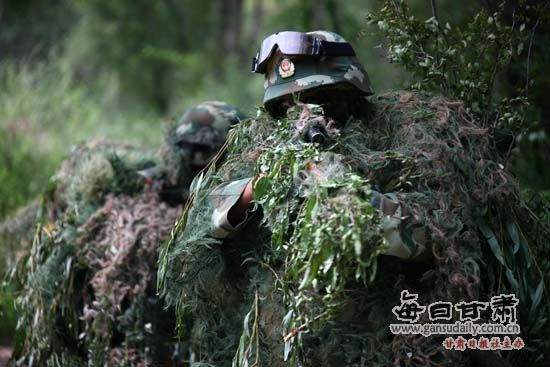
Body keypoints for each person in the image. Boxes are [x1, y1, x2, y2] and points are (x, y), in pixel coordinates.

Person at [14, 102, 244, 367]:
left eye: (201, 150)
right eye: (188, 148)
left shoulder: (225, 184)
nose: (192, 157)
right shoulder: (147, 183)